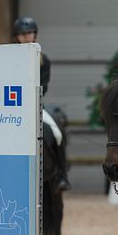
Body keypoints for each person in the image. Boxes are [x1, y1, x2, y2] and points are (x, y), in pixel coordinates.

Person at [13, 16, 71, 191]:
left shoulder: (43, 60)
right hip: (12, 106)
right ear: (17, 36)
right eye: (23, 34)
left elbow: (43, 86)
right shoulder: (9, 56)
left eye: (30, 33)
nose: (27, 37)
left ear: (35, 34)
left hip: (34, 105)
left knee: (56, 133)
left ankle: (62, 175)